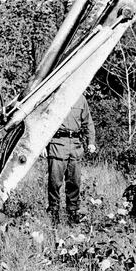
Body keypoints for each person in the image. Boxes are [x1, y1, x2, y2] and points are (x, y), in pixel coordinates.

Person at [46, 93, 97, 225]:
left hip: (75, 144)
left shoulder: (81, 98)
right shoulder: (55, 97)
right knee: (54, 181)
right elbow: (44, 123)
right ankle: (53, 211)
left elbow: (88, 122)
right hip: (57, 143)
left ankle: (73, 212)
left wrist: (91, 142)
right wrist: (42, 146)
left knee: (74, 181)